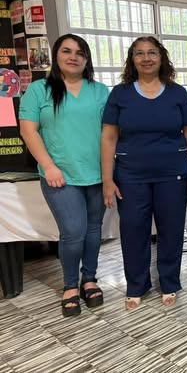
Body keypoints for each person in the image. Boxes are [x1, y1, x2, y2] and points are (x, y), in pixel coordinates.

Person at [101, 36, 187, 310]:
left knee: (171, 231)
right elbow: (109, 137)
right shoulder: (120, 94)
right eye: (139, 53)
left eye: (152, 53)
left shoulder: (176, 93)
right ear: (132, 60)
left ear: (161, 57)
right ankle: (137, 285)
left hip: (173, 174)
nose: (146, 58)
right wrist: (108, 179)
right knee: (133, 231)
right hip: (130, 176)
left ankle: (169, 283)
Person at [19, 34, 109, 317]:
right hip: (60, 175)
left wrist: (110, 172)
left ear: (87, 59)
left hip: (97, 174)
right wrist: (48, 166)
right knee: (73, 231)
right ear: (56, 55)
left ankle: (89, 279)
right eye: (67, 51)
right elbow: (28, 130)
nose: (73, 57)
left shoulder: (100, 91)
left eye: (80, 53)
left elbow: (111, 133)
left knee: (94, 230)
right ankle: (70, 285)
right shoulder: (39, 90)